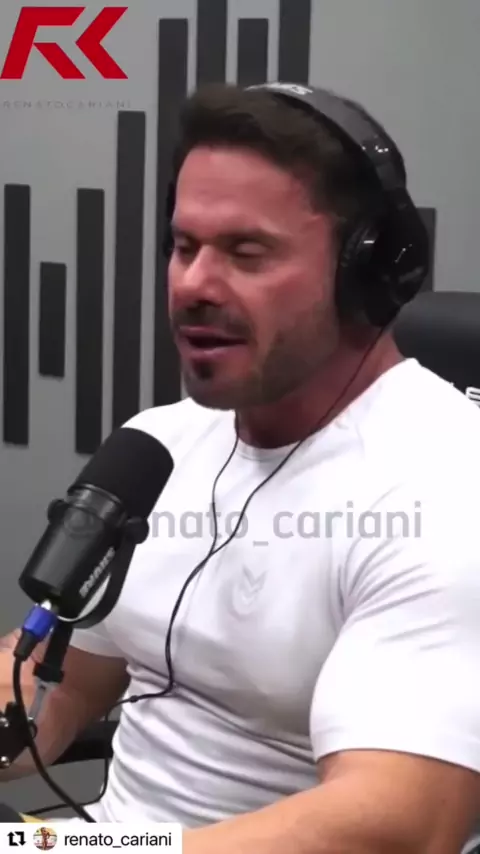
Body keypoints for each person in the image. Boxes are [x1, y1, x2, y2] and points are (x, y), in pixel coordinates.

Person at [1, 81, 480, 854]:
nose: (193, 284)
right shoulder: (160, 445)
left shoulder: (446, 488)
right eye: (184, 247)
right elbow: (62, 686)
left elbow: (398, 826)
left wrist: (77, 853)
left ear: (365, 272)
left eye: (245, 252)